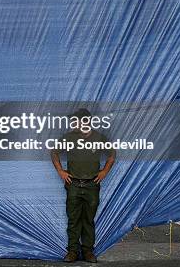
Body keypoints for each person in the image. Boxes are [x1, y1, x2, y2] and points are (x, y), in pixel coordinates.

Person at [51, 108, 115, 263]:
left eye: (76, 121)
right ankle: (72, 251)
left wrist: (104, 172)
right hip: (73, 184)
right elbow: (54, 152)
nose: (73, 123)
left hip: (92, 184)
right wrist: (61, 171)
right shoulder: (69, 137)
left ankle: (88, 252)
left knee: (88, 219)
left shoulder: (99, 138)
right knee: (73, 219)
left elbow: (112, 155)